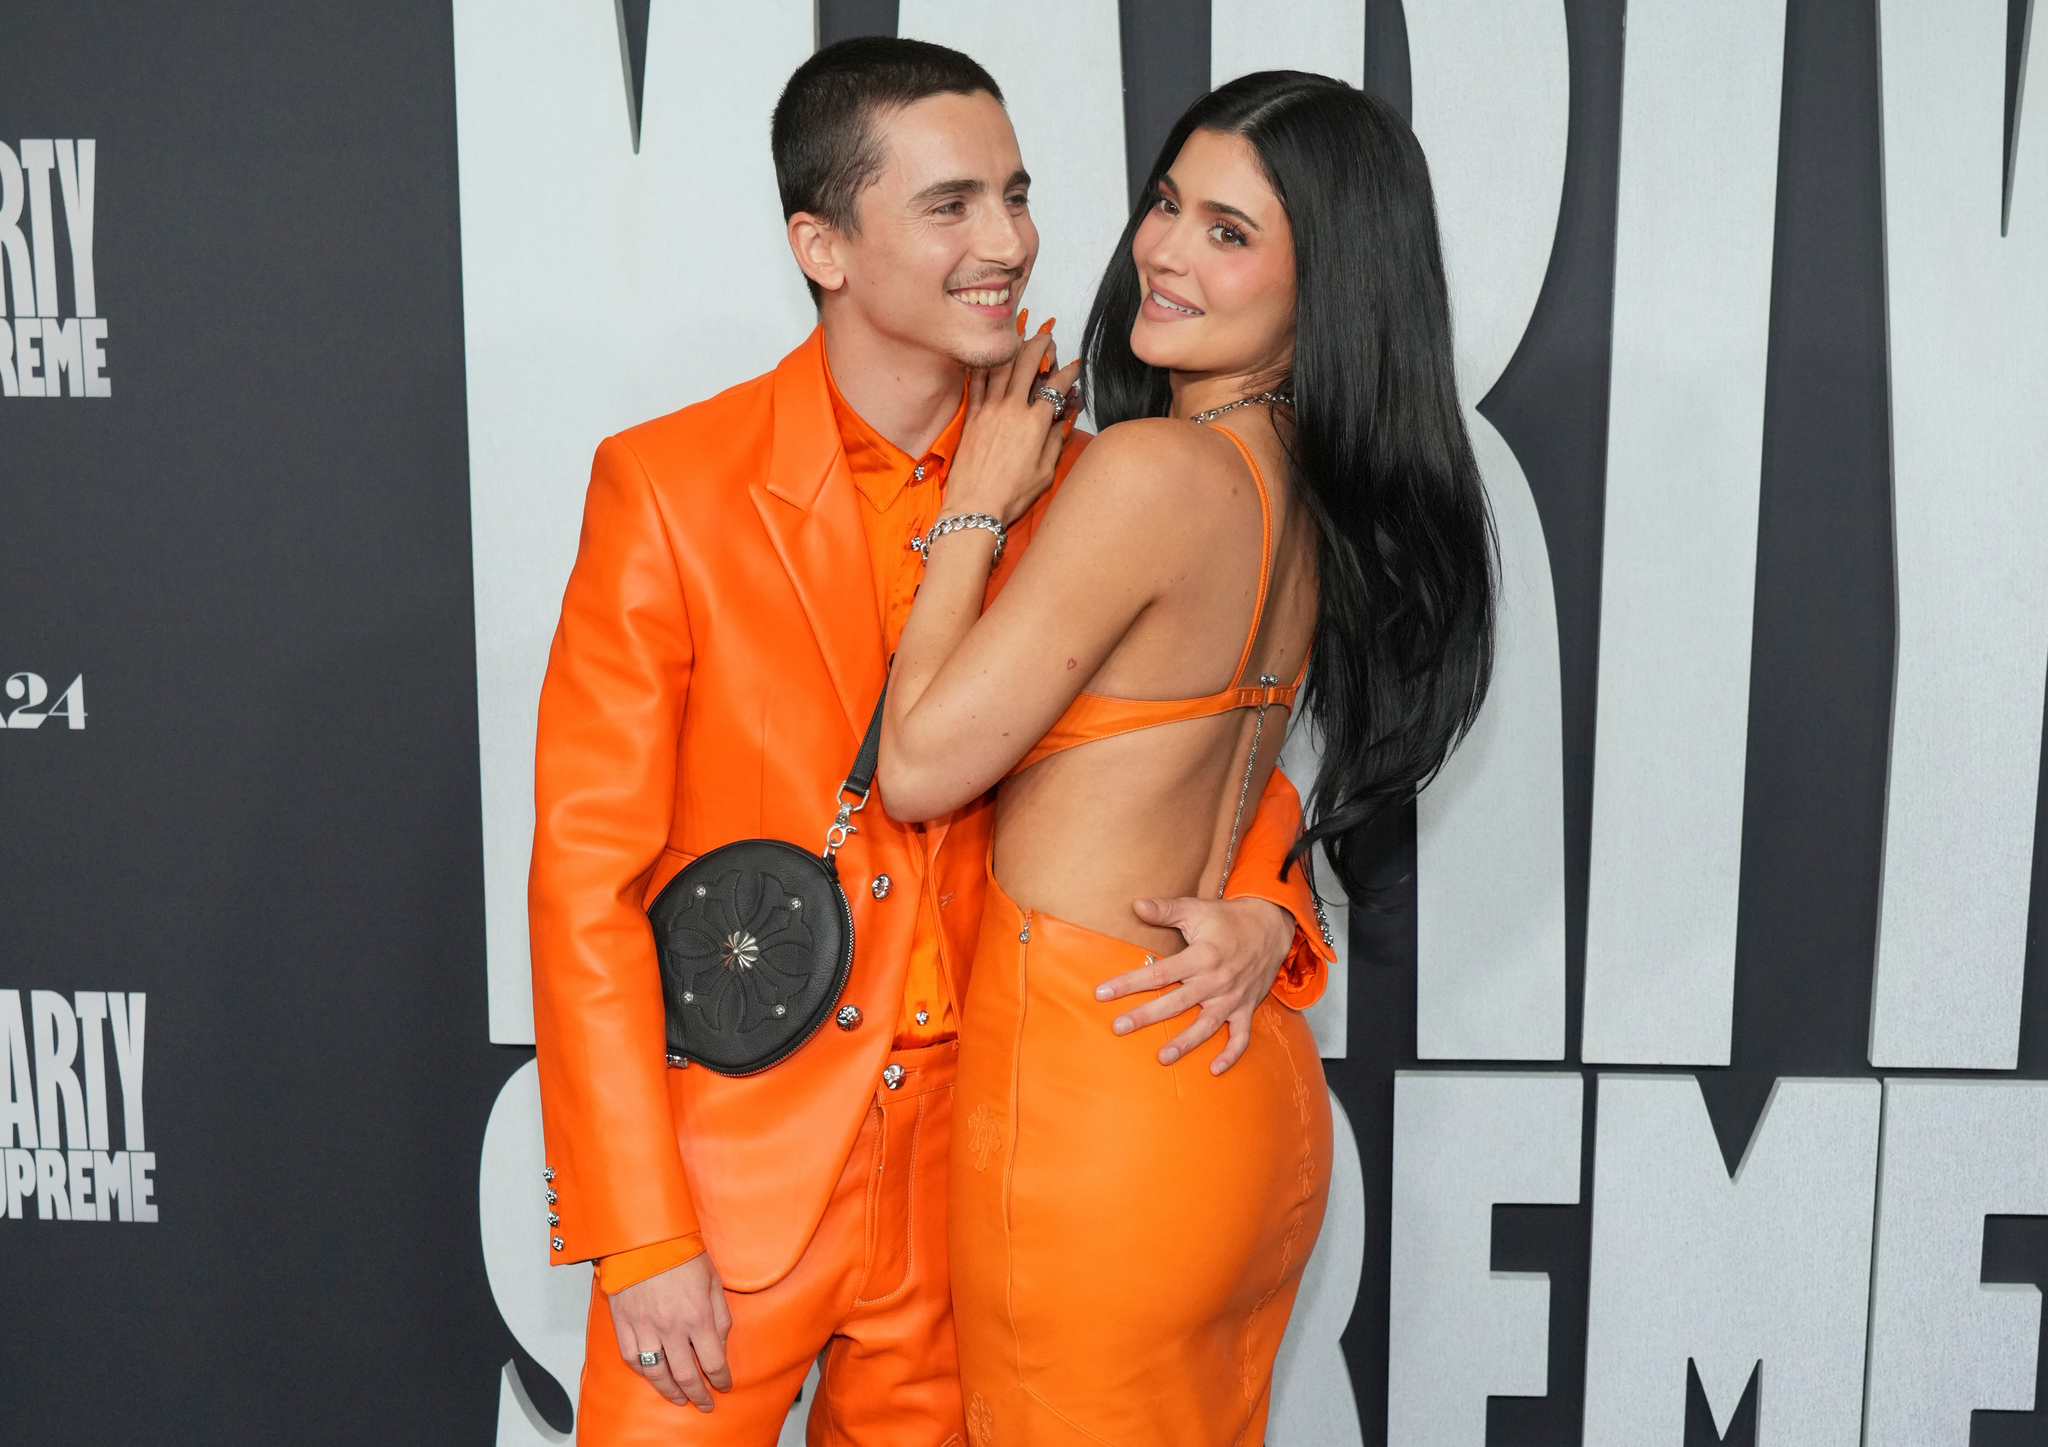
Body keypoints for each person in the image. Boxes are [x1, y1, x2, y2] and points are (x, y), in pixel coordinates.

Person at [527, 40, 1333, 1446]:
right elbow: (584, 885)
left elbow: (1195, 750)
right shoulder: (670, 489)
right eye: (952, 207)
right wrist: (640, 1232)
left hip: (984, 1196)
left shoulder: (1089, 485)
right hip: (733, 1190)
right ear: (822, 245)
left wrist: (1268, 911)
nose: (1012, 243)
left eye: (1017, 196)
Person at [877, 71, 1497, 1445]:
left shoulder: (1154, 474)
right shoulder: (1311, 490)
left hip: (1097, 1111)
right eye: (1169, 204)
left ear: (1325, 280)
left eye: (1230, 231)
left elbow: (918, 764)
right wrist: (1270, 920)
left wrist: (974, 513)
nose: (1162, 248)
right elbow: (1220, 774)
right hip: (1235, 1095)